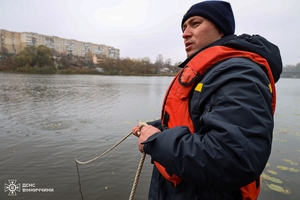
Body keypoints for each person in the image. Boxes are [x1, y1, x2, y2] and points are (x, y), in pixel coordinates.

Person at [132, 1, 282, 199]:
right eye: (184, 28)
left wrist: (155, 140)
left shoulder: (238, 73)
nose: (185, 33)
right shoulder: (208, 72)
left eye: (195, 24)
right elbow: (197, 121)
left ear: (221, 30)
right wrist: (158, 127)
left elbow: (233, 158)